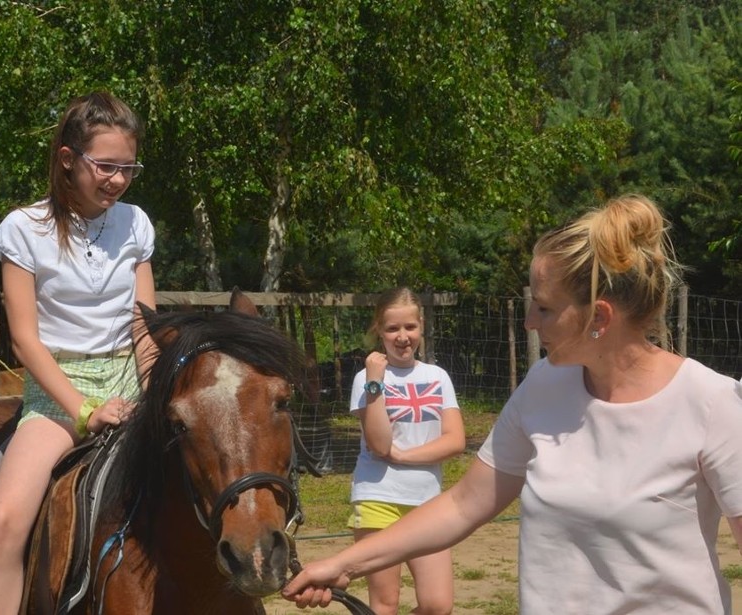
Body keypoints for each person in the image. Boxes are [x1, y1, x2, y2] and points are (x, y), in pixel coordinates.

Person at [284, 195, 742, 614]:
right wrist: (345, 563)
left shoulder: (711, 404)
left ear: (599, 317)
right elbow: (463, 505)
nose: (527, 322)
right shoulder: (544, 385)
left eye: (543, 309)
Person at [0, 91, 157, 614]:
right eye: (106, 166)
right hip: (59, 395)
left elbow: (143, 326)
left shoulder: (136, 223)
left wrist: (152, 394)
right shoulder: (23, 229)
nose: (118, 180)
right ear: (67, 159)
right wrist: (84, 408)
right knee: (3, 523)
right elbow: (24, 341)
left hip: (131, 382)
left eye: (128, 168)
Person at [347, 287, 465, 615]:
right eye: (392, 329)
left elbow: (455, 441)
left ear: (421, 326)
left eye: (409, 327)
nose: (402, 337)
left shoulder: (437, 376)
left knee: (437, 605)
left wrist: (404, 457)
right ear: (379, 331)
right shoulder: (365, 380)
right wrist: (375, 381)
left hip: (427, 503)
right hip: (377, 498)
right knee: (385, 605)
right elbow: (380, 444)